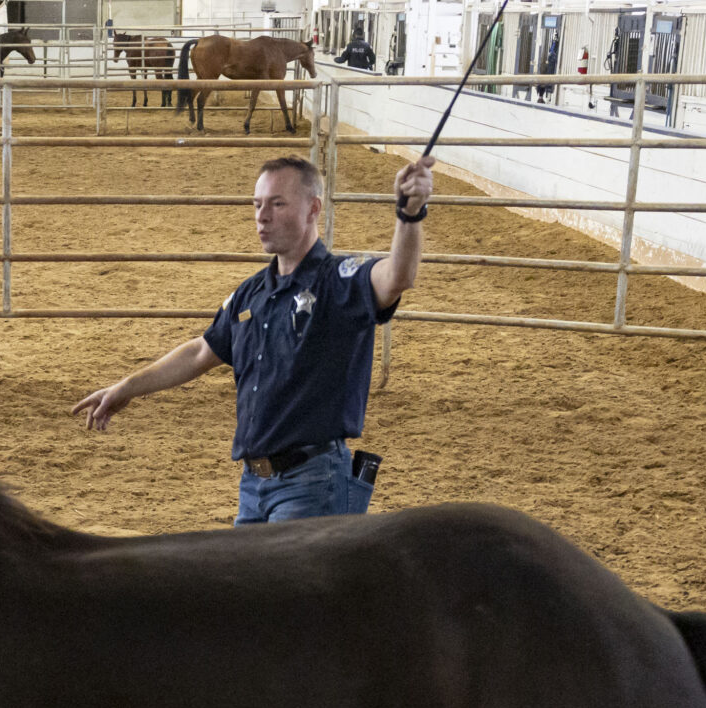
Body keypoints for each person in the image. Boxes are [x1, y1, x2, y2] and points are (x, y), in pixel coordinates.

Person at [72, 152, 436, 523]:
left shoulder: (338, 281)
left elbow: (397, 276)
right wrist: (126, 387)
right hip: (254, 486)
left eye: (278, 204)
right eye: (258, 204)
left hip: (311, 483)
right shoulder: (251, 294)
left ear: (313, 209)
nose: (262, 216)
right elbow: (201, 351)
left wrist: (409, 215)